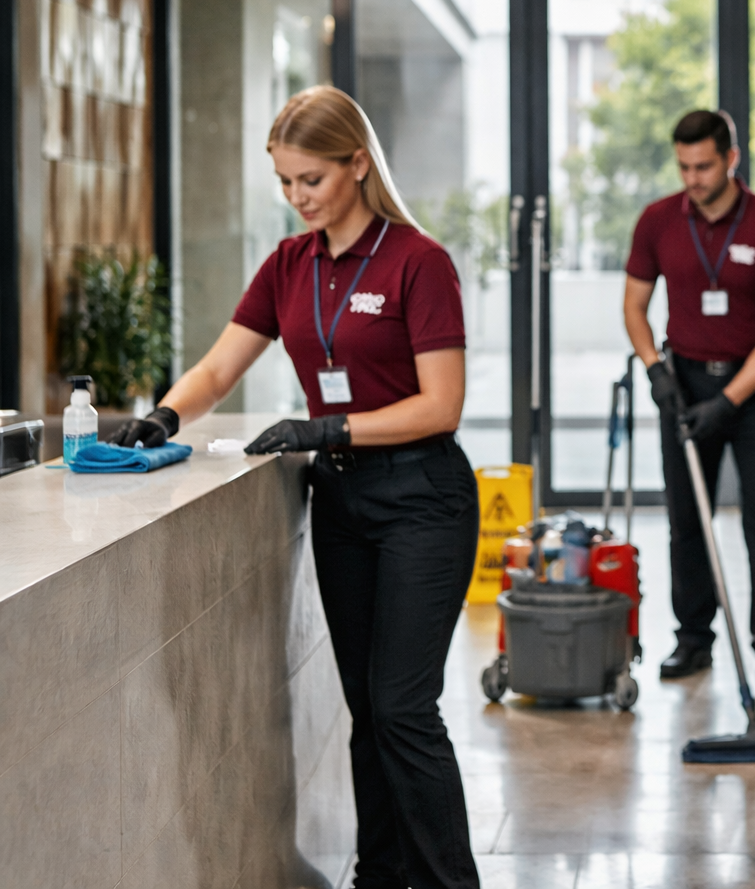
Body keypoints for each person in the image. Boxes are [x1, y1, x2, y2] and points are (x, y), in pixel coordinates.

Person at [111, 86, 480, 889]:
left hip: (423, 499)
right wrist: (163, 418)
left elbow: (442, 403)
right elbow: (218, 365)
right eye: (284, 182)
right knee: (365, 710)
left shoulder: (418, 261)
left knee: (404, 710)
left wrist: (331, 428)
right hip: (343, 506)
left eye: (310, 179)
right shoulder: (289, 265)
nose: (296, 198)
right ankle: (378, 875)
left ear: (357, 164)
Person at [623, 109, 755, 691]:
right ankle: (692, 640)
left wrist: (729, 401)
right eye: (683, 166)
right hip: (685, 386)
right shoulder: (657, 222)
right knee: (688, 521)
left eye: (704, 165)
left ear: (731, 159)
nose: (693, 178)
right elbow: (634, 307)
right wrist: (656, 370)